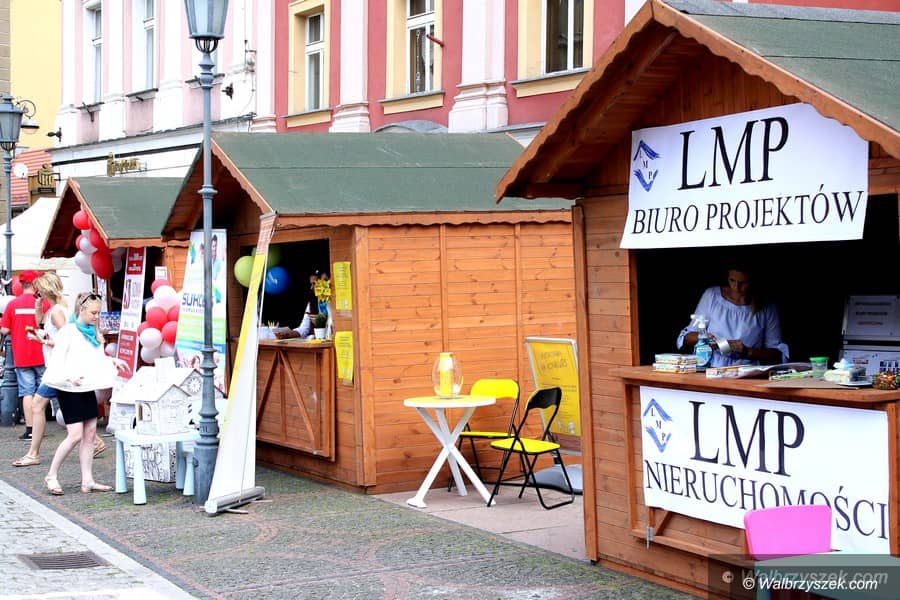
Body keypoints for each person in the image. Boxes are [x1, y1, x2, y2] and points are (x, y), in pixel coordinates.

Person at [42, 292, 130, 495]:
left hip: (86, 386)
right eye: (93, 313)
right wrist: (69, 376)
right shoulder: (68, 331)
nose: (96, 316)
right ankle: (51, 475)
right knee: (74, 435)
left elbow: (95, 358)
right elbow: (57, 359)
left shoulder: (93, 331)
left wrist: (112, 360)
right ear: (81, 310)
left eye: (98, 312)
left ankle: (87, 480)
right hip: (68, 388)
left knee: (90, 433)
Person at [677, 265, 789, 367]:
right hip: (711, 367)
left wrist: (748, 351)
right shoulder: (712, 296)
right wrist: (704, 339)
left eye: (743, 283)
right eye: (732, 280)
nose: (736, 287)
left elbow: (776, 354)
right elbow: (688, 337)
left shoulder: (767, 307)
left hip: (749, 370)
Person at [12, 273, 68, 467]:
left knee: (37, 405)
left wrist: (42, 341)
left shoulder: (56, 311)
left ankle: (33, 453)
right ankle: (95, 441)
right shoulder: (53, 309)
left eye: (40, 290)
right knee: (68, 408)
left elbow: (66, 339)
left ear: (46, 290)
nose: (38, 293)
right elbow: (41, 324)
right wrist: (37, 307)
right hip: (55, 367)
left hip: (57, 368)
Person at [0, 270, 48, 441]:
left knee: (27, 392)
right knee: (43, 391)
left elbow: (4, 330)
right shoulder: (43, 303)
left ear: (21, 285)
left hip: (21, 354)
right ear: (35, 284)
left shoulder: (12, 304)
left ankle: (30, 429)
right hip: (42, 353)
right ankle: (41, 426)